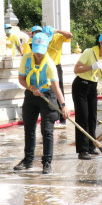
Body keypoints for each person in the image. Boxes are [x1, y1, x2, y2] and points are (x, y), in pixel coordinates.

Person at [14, 32, 69, 174]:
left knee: (47, 131)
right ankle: (28, 160)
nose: (38, 55)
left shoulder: (49, 63)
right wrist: (30, 88)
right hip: (31, 95)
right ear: (32, 48)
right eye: (36, 51)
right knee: (29, 129)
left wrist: (63, 105)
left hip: (47, 95)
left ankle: (47, 162)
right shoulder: (26, 59)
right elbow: (21, 79)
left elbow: (56, 87)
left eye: (41, 52)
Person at [72, 32, 102, 160]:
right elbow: (76, 69)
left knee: (93, 117)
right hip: (80, 85)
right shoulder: (89, 52)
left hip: (93, 87)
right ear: (101, 43)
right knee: (83, 117)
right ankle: (82, 150)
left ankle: (91, 146)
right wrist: (91, 67)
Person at [42, 25, 73, 128]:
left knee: (59, 90)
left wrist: (58, 31)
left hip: (56, 66)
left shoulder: (58, 37)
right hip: (45, 66)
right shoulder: (41, 39)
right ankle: (51, 117)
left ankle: (62, 118)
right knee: (48, 91)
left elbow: (70, 35)